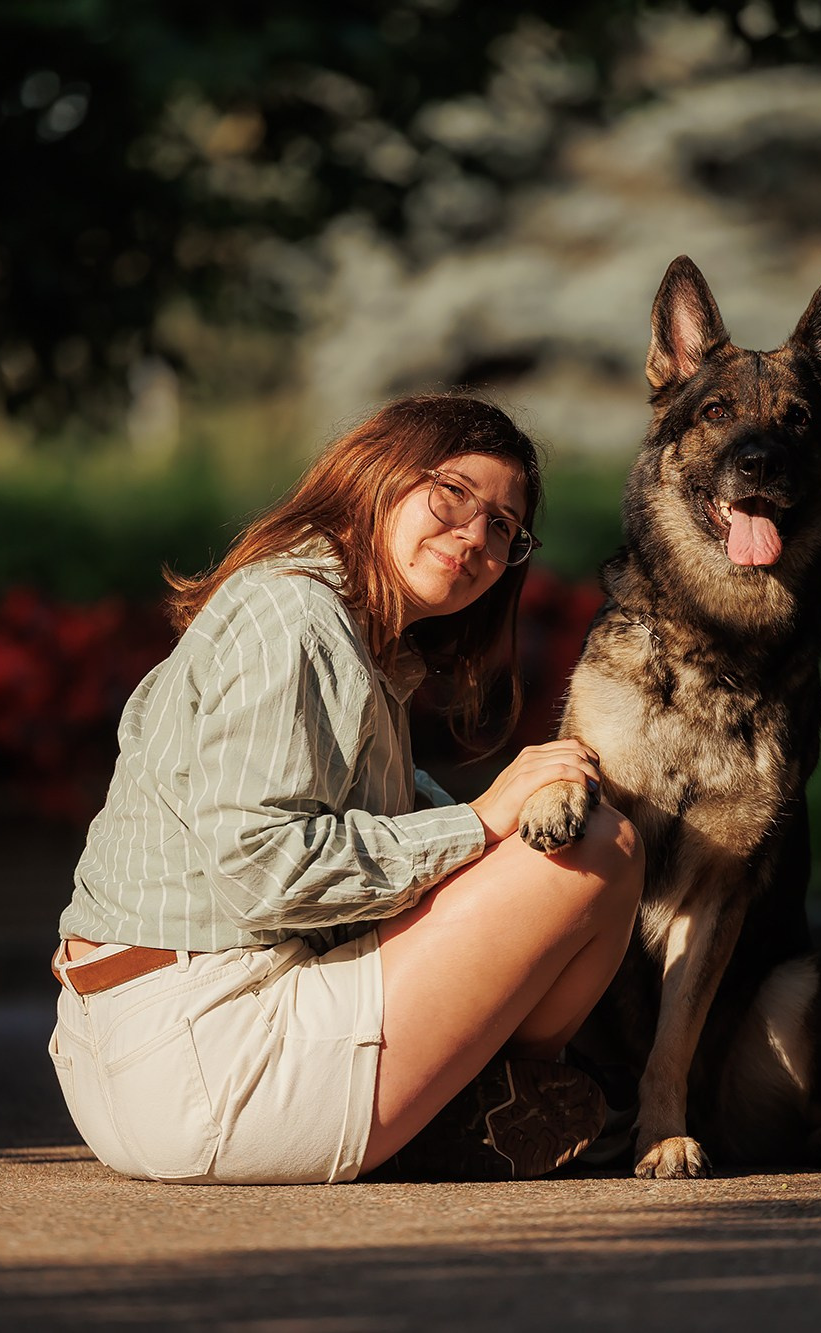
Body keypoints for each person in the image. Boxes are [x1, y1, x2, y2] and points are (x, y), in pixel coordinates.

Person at [48, 394, 644, 1185]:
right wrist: (480, 820)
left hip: (143, 1055)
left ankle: (475, 1100)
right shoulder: (292, 614)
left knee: (567, 828)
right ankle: (474, 1103)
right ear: (377, 473)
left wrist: (499, 816)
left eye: (503, 526)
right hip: (210, 1055)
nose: (475, 537)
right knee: (598, 850)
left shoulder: (346, 633)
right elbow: (267, 872)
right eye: (454, 494)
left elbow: (384, 823)